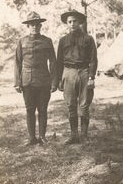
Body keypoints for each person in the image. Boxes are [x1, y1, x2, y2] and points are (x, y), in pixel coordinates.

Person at [14, 12, 57, 145]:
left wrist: (54, 82)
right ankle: (32, 138)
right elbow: (17, 62)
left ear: (40, 26)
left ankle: (42, 137)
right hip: (27, 81)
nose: (34, 27)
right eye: (31, 24)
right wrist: (17, 82)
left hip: (44, 80)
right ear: (28, 26)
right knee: (30, 109)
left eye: (37, 24)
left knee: (43, 109)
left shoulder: (47, 41)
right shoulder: (22, 42)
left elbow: (53, 62)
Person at [57, 9, 98, 144]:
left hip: (84, 72)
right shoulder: (63, 41)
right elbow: (58, 62)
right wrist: (59, 79)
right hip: (68, 72)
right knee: (70, 105)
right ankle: (74, 135)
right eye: (69, 22)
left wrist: (91, 77)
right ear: (67, 24)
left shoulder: (88, 39)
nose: (72, 24)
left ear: (80, 22)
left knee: (84, 105)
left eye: (75, 21)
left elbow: (93, 59)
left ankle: (84, 135)